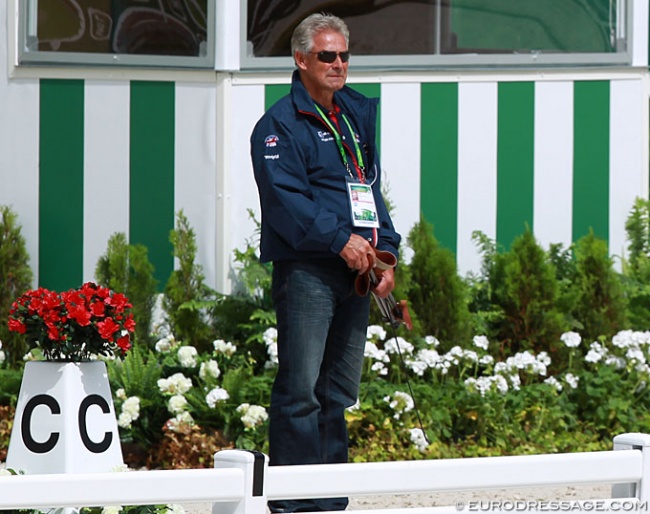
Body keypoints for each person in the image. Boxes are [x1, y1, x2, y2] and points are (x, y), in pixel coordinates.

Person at [250, 12, 401, 512]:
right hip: (309, 272)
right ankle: (292, 503)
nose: (338, 64)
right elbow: (286, 201)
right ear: (300, 60)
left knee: (336, 392)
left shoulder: (352, 116)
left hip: (356, 271)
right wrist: (340, 241)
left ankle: (329, 502)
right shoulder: (278, 126)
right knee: (300, 391)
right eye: (327, 56)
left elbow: (367, 190)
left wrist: (387, 251)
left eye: (344, 55)